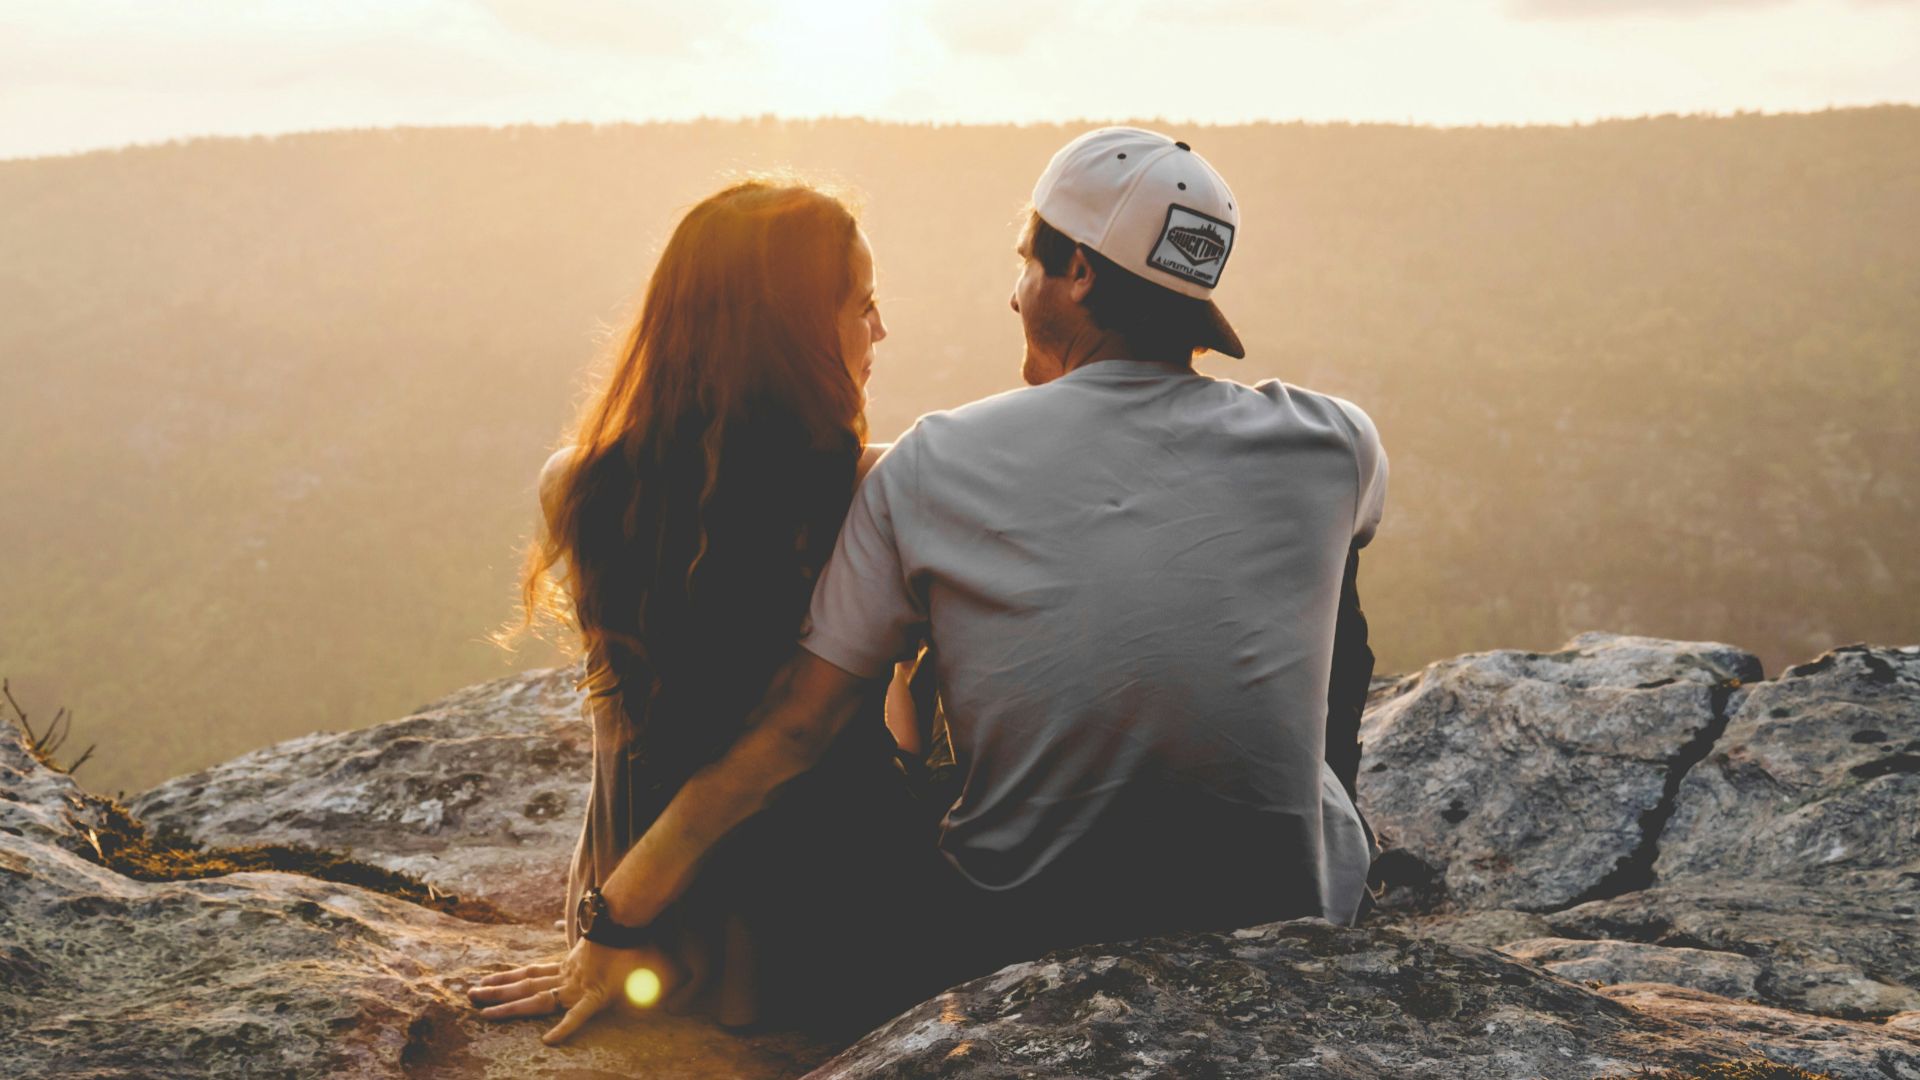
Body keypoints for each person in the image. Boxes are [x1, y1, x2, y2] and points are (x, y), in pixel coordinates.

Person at [508, 127, 1389, 1045]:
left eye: (1026, 262)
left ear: (1078, 273)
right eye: (866, 306)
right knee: (1338, 561)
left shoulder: (935, 465)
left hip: (1012, 927)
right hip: (1292, 914)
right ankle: (1302, 825)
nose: (1013, 292)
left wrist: (618, 911)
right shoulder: (1336, 442)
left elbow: (797, 726)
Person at [466, 177, 931, 1039]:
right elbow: (804, 735)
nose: (881, 330)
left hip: (644, 922)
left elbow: (624, 743)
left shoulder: (575, 484)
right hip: (830, 922)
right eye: (862, 304)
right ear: (791, 334)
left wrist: (606, 923)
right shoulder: (877, 487)